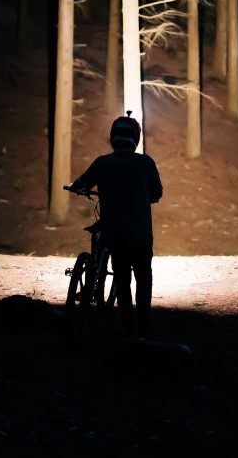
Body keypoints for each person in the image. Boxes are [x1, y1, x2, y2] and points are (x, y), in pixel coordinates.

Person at [68, 112, 162, 337]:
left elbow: (81, 183)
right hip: (141, 234)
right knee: (144, 278)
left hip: (115, 234)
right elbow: (157, 192)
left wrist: (77, 186)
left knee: (122, 279)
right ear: (136, 139)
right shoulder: (146, 163)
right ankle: (144, 328)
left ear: (113, 138)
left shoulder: (102, 163)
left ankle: (128, 328)